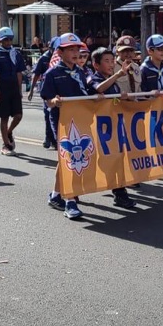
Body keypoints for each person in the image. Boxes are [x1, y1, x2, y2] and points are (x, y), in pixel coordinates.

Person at [42, 32, 91, 220]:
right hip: (62, 121)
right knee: (71, 158)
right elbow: (47, 100)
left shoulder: (79, 71)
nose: (74, 52)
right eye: (70, 49)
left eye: (76, 49)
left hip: (80, 119)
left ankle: (55, 195)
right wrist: (54, 101)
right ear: (60, 52)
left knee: (65, 160)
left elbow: (86, 93)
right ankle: (70, 201)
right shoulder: (53, 73)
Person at [87, 46, 137, 208]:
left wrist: (125, 98)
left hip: (113, 128)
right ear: (96, 64)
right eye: (106, 61)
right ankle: (70, 194)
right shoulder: (92, 78)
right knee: (95, 163)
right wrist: (118, 74)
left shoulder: (113, 81)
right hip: (97, 129)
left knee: (116, 160)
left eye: (111, 61)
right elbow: (99, 88)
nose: (110, 64)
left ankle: (120, 193)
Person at [0, 26, 26, 156]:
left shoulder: (15, 53)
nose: (8, 42)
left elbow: (19, 72)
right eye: (5, 40)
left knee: (18, 115)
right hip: (3, 88)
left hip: (14, 87)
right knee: (4, 117)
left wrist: (20, 89)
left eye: (10, 40)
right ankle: (5, 144)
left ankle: (9, 132)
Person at [28, 37, 58, 150]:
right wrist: (31, 90)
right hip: (47, 89)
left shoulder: (64, 58)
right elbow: (36, 74)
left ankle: (54, 139)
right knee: (48, 114)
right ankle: (48, 138)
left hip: (59, 90)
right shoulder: (44, 58)